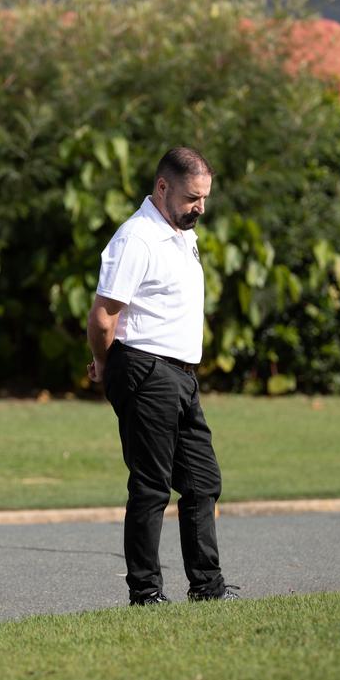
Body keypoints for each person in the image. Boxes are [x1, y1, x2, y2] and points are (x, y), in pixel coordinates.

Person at [86, 147, 239, 606]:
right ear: (162, 188)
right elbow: (102, 316)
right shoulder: (137, 238)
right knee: (151, 486)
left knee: (202, 481)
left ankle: (207, 588)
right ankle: (146, 593)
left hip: (181, 375)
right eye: (194, 197)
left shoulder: (179, 233)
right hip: (146, 369)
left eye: (205, 198)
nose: (201, 207)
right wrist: (107, 364)